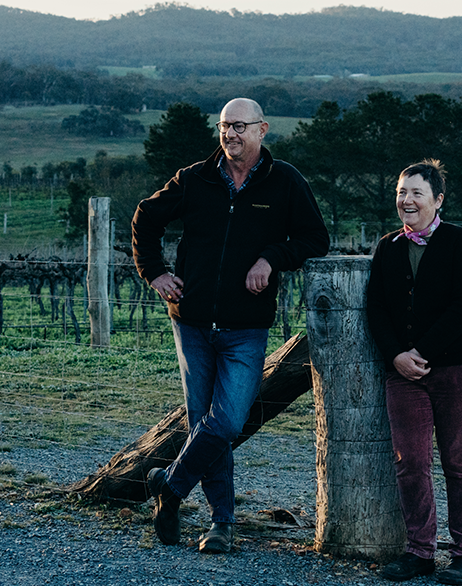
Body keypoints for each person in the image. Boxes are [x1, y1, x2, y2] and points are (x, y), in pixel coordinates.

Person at [132, 97, 329, 553]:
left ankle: (170, 485)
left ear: (262, 130)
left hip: (246, 325)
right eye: (224, 126)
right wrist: (155, 272)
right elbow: (145, 217)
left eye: (239, 126)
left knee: (228, 419)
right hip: (192, 322)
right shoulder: (195, 178)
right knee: (204, 421)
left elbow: (314, 238)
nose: (230, 134)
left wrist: (271, 257)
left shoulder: (285, 182)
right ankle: (221, 523)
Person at [366, 159, 462, 585]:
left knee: (459, 461)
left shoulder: (457, 241)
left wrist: (421, 350)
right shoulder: (388, 247)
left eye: (417, 192)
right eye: (401, 192)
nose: (407, 200)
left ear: (437, 200)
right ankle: (419, 551)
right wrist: (397, 354)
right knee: (410, 462)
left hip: (458, 369)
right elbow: (376, 308)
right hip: (404, 374)